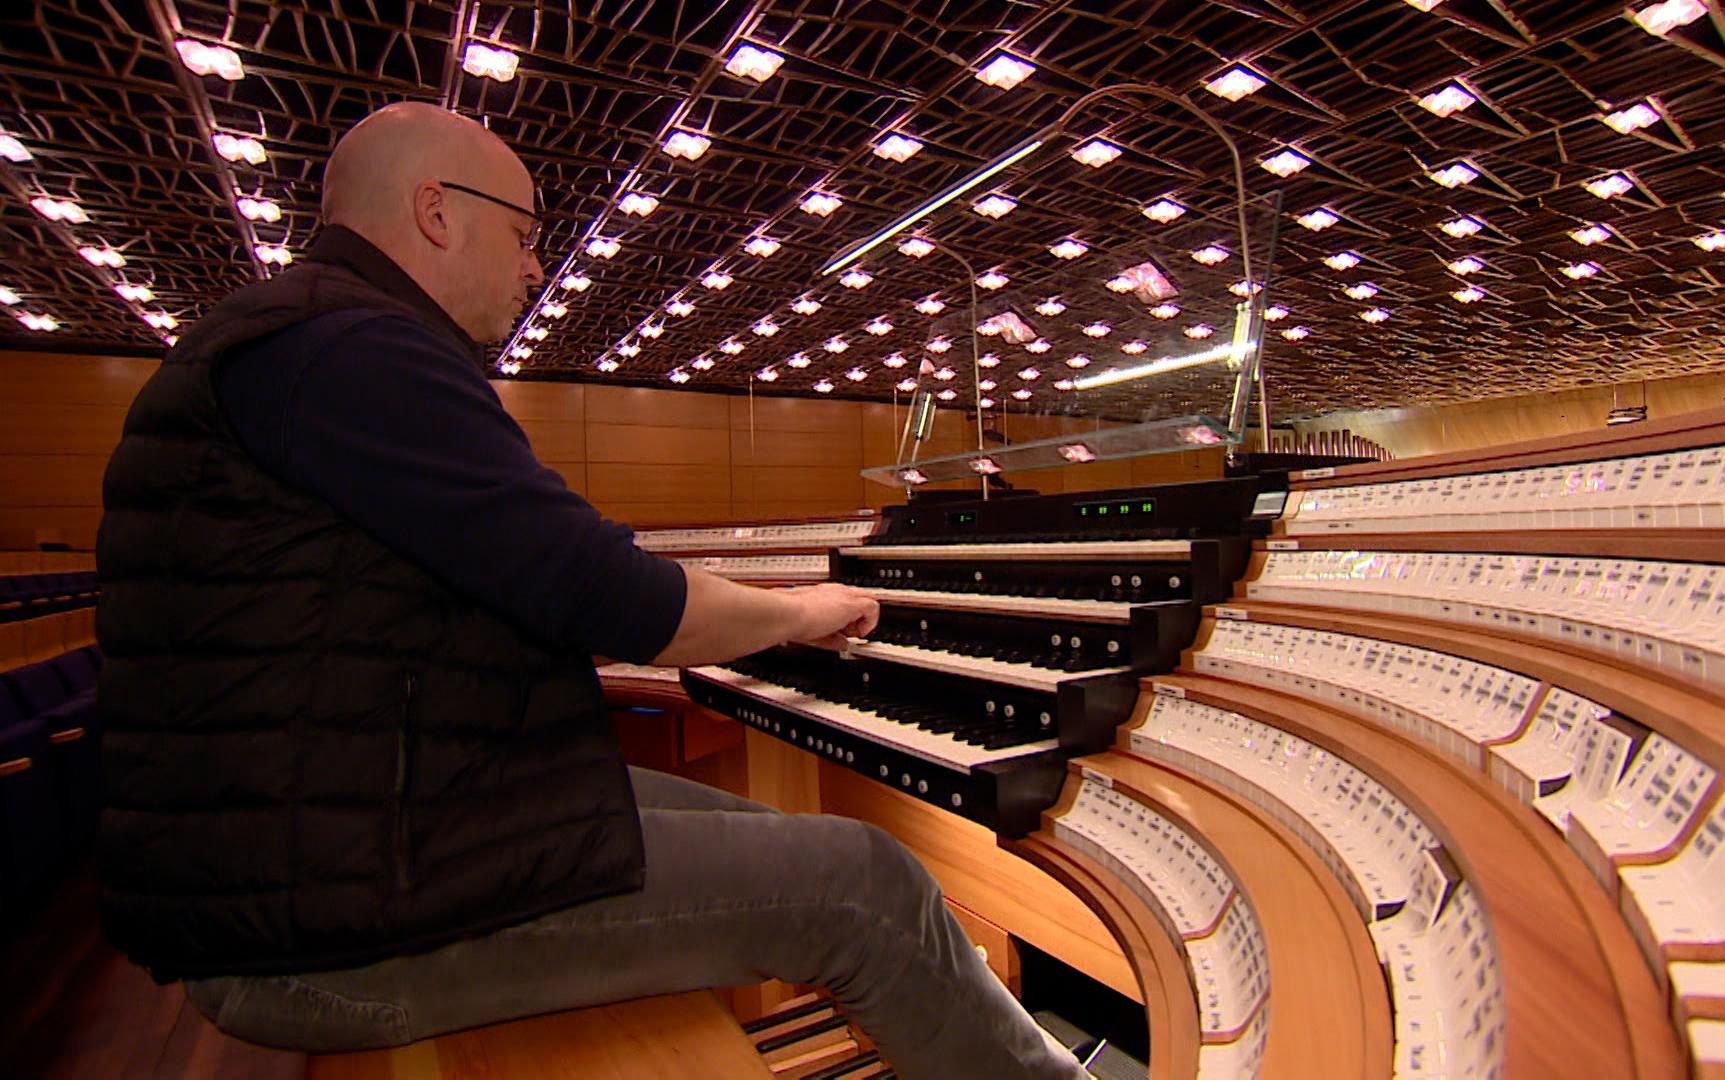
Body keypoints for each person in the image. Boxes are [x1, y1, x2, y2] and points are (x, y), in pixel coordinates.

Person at [94, 101, 1087, 1080]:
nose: (537, 265)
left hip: (359, 840)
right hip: (329, 924)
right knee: (869, 886)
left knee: (783, 840)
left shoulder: (307, 336)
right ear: (436, 213)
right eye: (525, 233)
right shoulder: (349, 348)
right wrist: (801, 613)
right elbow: (607, 594)